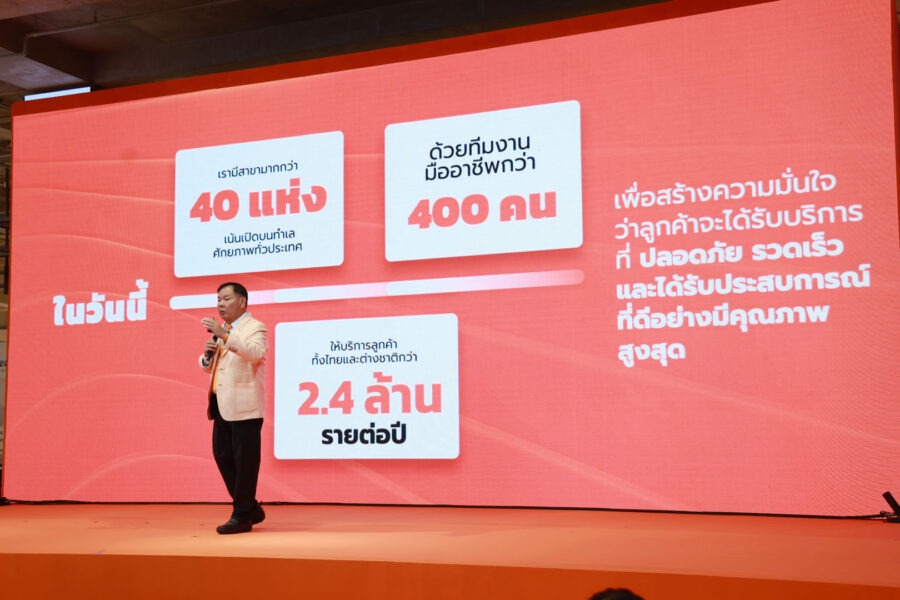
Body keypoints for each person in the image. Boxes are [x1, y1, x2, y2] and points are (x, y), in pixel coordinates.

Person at [199, 282, 268, 534]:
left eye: (226, 299)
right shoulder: (223, 331)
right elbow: (212, 366)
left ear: (242, 301)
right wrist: (206, 356)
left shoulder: (255, 327)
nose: (220, 304)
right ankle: (250, 507)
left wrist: (225, 336)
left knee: (245, 462)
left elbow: (255, 353)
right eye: (218, 299)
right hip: (221, 405)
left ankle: (242, 515)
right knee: (222, 456)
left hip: (245, 408)